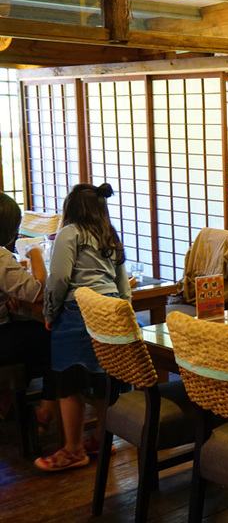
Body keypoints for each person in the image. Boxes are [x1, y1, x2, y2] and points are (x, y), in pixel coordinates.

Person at [34, 183, 131, 472]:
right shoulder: (109, 235)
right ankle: (103, 441)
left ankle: (73, 449)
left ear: (71, 208)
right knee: (104, 380)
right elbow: (123, 284)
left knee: (69, 381)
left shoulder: (69, 233)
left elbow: (60, 279)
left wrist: (50, 312)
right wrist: (123, 314)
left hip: (79, 310)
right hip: (111, 309)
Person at [0, 192, 55, 427]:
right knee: (55, 336)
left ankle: (7, 401)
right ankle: (46, 407)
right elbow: (39, 290)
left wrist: (7, 296)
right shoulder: (1, 257)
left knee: (34, 336)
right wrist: (35, 252)